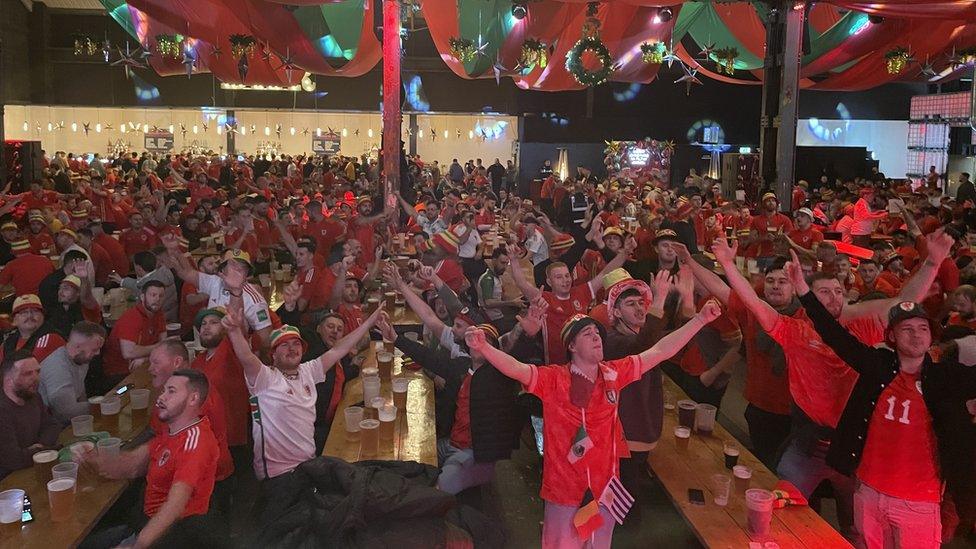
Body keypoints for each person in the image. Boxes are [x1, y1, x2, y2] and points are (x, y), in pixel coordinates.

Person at [465, 305, 721, 548]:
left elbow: (659, 352)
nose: (597, 337)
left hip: (605, 491)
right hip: (565, 493)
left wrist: (700, 319)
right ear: (572, 346)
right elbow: (518, 370)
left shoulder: (613, 374)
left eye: (598, 333)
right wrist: (484, 348)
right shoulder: (553, 379)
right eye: (587, 334)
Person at [787, 252, 976, 549]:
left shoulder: (945, 378)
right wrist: (801, 288)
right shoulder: (877, 366)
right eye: (907, 329)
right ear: (891, 337)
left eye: (923, 329)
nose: (916, 335)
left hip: (919, 501)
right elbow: (834, 334)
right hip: (869, 491)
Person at [221, 289, 382, 521]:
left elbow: (339, 348)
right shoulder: (265, 379)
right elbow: (246, 357)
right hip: (279, 476)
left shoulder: (308, 371)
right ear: (273, 356)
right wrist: (235, 330)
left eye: (295, 345)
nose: (291, 349)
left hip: (308, 465)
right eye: (284, 346)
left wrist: (369, 322)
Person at [83, 369, 226, 548]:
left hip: (174, 534)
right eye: (164, 390)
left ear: (193, 399)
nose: (161, 397)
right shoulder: (171, 431)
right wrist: (91, 458)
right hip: (146, 523)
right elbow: (133, 463)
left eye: (171, 391)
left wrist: (137, 546)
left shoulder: (195, 442)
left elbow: (175, 506)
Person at [162, 237, 273, 347]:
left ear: (247, 273)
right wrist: (175, 251)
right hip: (211, 345)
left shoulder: (254, 299)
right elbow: (186, 273)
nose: (238, 270)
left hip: (234, 352)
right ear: (222, 270)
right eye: (233, 266)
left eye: (242, 267)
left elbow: (266, 340)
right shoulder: (215, 282)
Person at [0, 349, 60, 480]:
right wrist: (43, 450)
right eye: (27, 374)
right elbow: (13, 460)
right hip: (8, 481)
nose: (36, 378)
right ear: (8, 380)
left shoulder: (33, 396)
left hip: (32, 468)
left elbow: (52, 425)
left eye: (37, 371)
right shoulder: (2, 410)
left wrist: (39, 446)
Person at [38, 321, 106, 424]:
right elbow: (66, 412)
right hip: (52, 426)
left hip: (71, 422)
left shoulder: (81, 358)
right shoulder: (58, 367)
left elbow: (81, 393)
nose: (97, 353)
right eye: (94, 349)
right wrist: (104, 404)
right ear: (78, 347)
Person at [101, 280, 166, 386]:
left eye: (161, 296)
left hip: (144, 366)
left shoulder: (158, 313)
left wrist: (147, 358)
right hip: (120, 374)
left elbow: (164, 345)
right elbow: (128, 353)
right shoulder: (131, 318)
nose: (157, 299)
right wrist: (158, 348)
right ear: (142, 297)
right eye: (153, 295)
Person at [0, 294, 65, 364]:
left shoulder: (52, 338)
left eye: (35, 311)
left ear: (43, 316)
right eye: (24, 312)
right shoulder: (8, 341)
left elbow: (27, 367)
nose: (30, 316)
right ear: (14, 320)